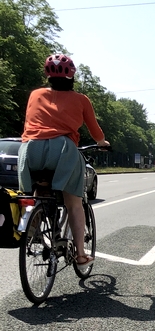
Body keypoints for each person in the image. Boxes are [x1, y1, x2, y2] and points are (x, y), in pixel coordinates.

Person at [18, 54, 110, 269]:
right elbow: (96, 133)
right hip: (62, 150)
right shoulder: (81, 99)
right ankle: (80, 255)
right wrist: (103, 142)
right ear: (72, 75)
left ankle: (35, 229)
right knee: (74, 202)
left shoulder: (35, 94)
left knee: (37, 191)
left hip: (30, 148)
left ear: (47, 75)